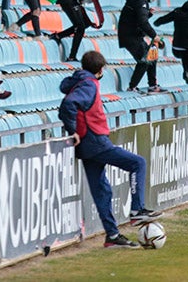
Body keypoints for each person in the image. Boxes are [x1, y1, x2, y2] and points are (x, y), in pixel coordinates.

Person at [59, 50, 162, 248]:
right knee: (137, 163)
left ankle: (112, 235)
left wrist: (75, 130)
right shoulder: (89, 84)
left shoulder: (79, 81)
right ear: (100, 69)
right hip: (95, 141)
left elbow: (71, 104)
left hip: (88, 145)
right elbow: (69, 105)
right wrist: (73, 130)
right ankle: (137, 210)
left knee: (102, 191)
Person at [120, 0, 165, 93]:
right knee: (144, 60)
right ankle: (132, 87)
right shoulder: (141, 1)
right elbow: (142, 23)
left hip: (133, 34)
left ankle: (152, 85)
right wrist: (154, 36)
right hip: (130, 35)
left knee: (152, 56)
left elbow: (136, 17)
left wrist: (147, 13)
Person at [154, 0, 188, 84]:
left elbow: (161, 20)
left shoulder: (178, 11)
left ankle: (187, 72)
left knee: (185, 53)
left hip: (176, 48)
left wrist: (156, 23)